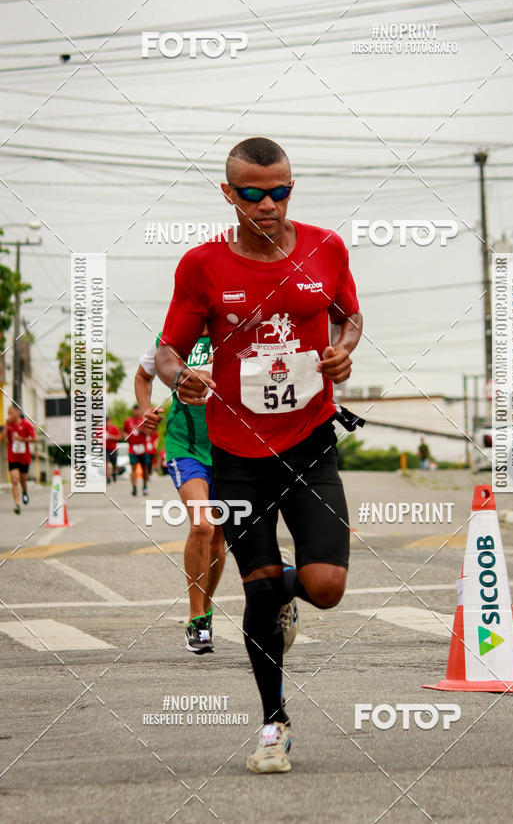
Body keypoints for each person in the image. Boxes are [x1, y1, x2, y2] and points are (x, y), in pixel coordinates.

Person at [155, 137, 362, 774]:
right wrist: (178, 378)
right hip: (237, 452)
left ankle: (284, 598)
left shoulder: (327, 247)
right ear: (229, 194)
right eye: (253, 193)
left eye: (281, 190)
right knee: (260, 589)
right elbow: (167, 349)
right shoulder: (202, 265)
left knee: (325, 587)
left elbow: (349, 316)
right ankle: (274, 725)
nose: (269, 203)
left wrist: (342, 349)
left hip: (310, 441)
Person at [135, 330, 225, 654]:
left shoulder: (233, 330)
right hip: (185, 447)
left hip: (227, 449)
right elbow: (143, 376)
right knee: (202, 525)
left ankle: (207, 606)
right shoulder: (171, 336)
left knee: (218, 539)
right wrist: (146, 408)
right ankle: (195, 617)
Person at [0, 404, 36, 514]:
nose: (9, 415)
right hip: (13, 457)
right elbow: (2, 439)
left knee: (22, 481)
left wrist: (22, 439)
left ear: (17, 412)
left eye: (11, 413)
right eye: (8, 413)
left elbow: (34, 439)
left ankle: (24, 491)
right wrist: (6, 426)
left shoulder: (26, 424)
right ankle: (17, 504)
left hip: (24, 458)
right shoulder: (9, 426)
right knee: (14, 480)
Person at [122, 404, 150, 496]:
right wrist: (126, 436)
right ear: (133, 411)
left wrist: (140, 430)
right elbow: (124, 431)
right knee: (133, 468)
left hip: (143, 448)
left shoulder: (143, 421)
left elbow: (149, 432)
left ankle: (145, 486)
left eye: (138, 410)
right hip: (132, 448)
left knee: (144, 469)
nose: (136, 412)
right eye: (135, 410)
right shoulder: (128, 421)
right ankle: (134, 487)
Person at [105, 416, 122, 483]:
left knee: (114, 463)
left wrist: (110, 437)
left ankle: (114, 473)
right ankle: (108, 477)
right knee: (106, 462)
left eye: (107, 421)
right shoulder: (101, 429)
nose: (106, 423)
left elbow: (119, 437)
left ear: (110, 421)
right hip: (105, 449)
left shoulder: (114, 428)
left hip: (113, 449)